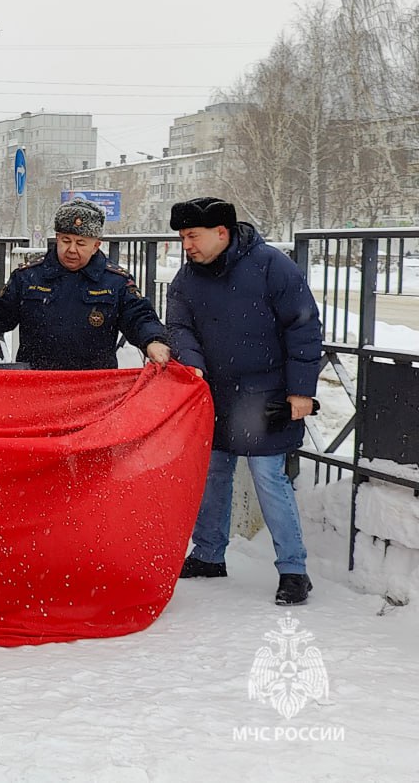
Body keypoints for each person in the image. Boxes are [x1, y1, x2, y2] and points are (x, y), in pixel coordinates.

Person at [166, 197, 322, 606]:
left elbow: (303, 326)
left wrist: (301, 391)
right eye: (182, 238)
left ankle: (294, 570)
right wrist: (193, 365)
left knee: (268, 477)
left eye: (192, 236)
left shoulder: (272, 266)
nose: (186, 246)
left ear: (222, 232)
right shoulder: (187, 277)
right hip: (212, 393)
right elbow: (179, 326)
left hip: (266, 394)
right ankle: (208, 554)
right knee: (213, 473)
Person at [0, 198, 172, 370]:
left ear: (96, 245)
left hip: (93, 387)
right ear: (56, 239)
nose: (71, 249)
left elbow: (139, 318)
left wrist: (153, 341)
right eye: (65, 240)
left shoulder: (116, 281)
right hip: (37, 383)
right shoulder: (29, 276)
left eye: (81, 243)